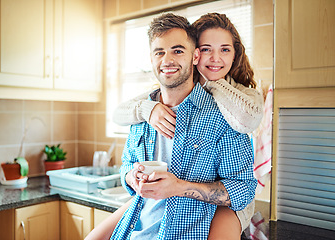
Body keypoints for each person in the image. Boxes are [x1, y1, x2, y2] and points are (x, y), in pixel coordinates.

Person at [87, 13, 256, 240]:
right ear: (151, 59)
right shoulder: (142, 114)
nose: (167, 60)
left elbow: (243, 189)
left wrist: (178, 187)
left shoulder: (225, 116)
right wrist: (131, 177)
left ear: (194, 56)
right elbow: (126, 165)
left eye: (177, 51)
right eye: (160, 52)